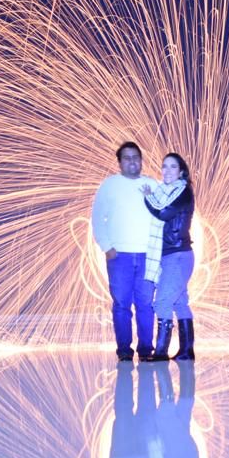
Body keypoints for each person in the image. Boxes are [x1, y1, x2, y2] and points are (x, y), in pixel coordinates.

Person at [91, 142, 157, 361]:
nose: (132, 161)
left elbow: (162, 215)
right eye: (127, 158)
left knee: (146, 304)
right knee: (121, 305)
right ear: (119, 162)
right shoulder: (109, 185)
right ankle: (124, 351)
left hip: (147, 255)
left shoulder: (151, 184)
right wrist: (106, 247)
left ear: (141, 160)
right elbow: (98, 217)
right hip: (120, 256)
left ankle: (146, 349)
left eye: (136, 157)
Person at [141, 153, 195, 361]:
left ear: (181, 171)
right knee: (180, 302)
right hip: (173, 254)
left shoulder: (182, 192)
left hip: (177, 255)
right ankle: (186, 351)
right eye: (164, 167)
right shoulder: (169, 192)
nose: (167, 171)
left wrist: (147, 197)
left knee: (162, 302)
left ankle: (161, 352)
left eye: (173, 167)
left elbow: (162, 214)